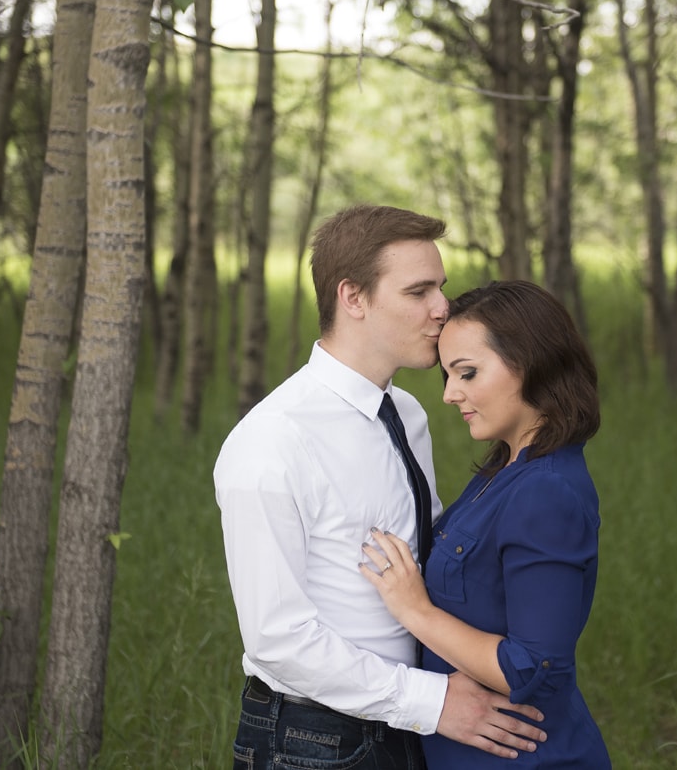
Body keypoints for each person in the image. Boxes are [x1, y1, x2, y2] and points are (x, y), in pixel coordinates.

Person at [214, 206, 548, 769]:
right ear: (354, 298)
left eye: (441, 288)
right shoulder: (272, 442)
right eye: (419, 291)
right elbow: (279, 640)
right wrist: (433, 701)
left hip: (411, 722)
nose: (443, 308)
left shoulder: (408, 415)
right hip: (315, 742)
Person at [361, 280, 610, 768]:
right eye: (449, 376)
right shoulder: (506, 470)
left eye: (468, 373)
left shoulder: (545, 491)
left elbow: (535, 669)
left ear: (532, 363)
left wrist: (415, 612)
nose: (452, 394)